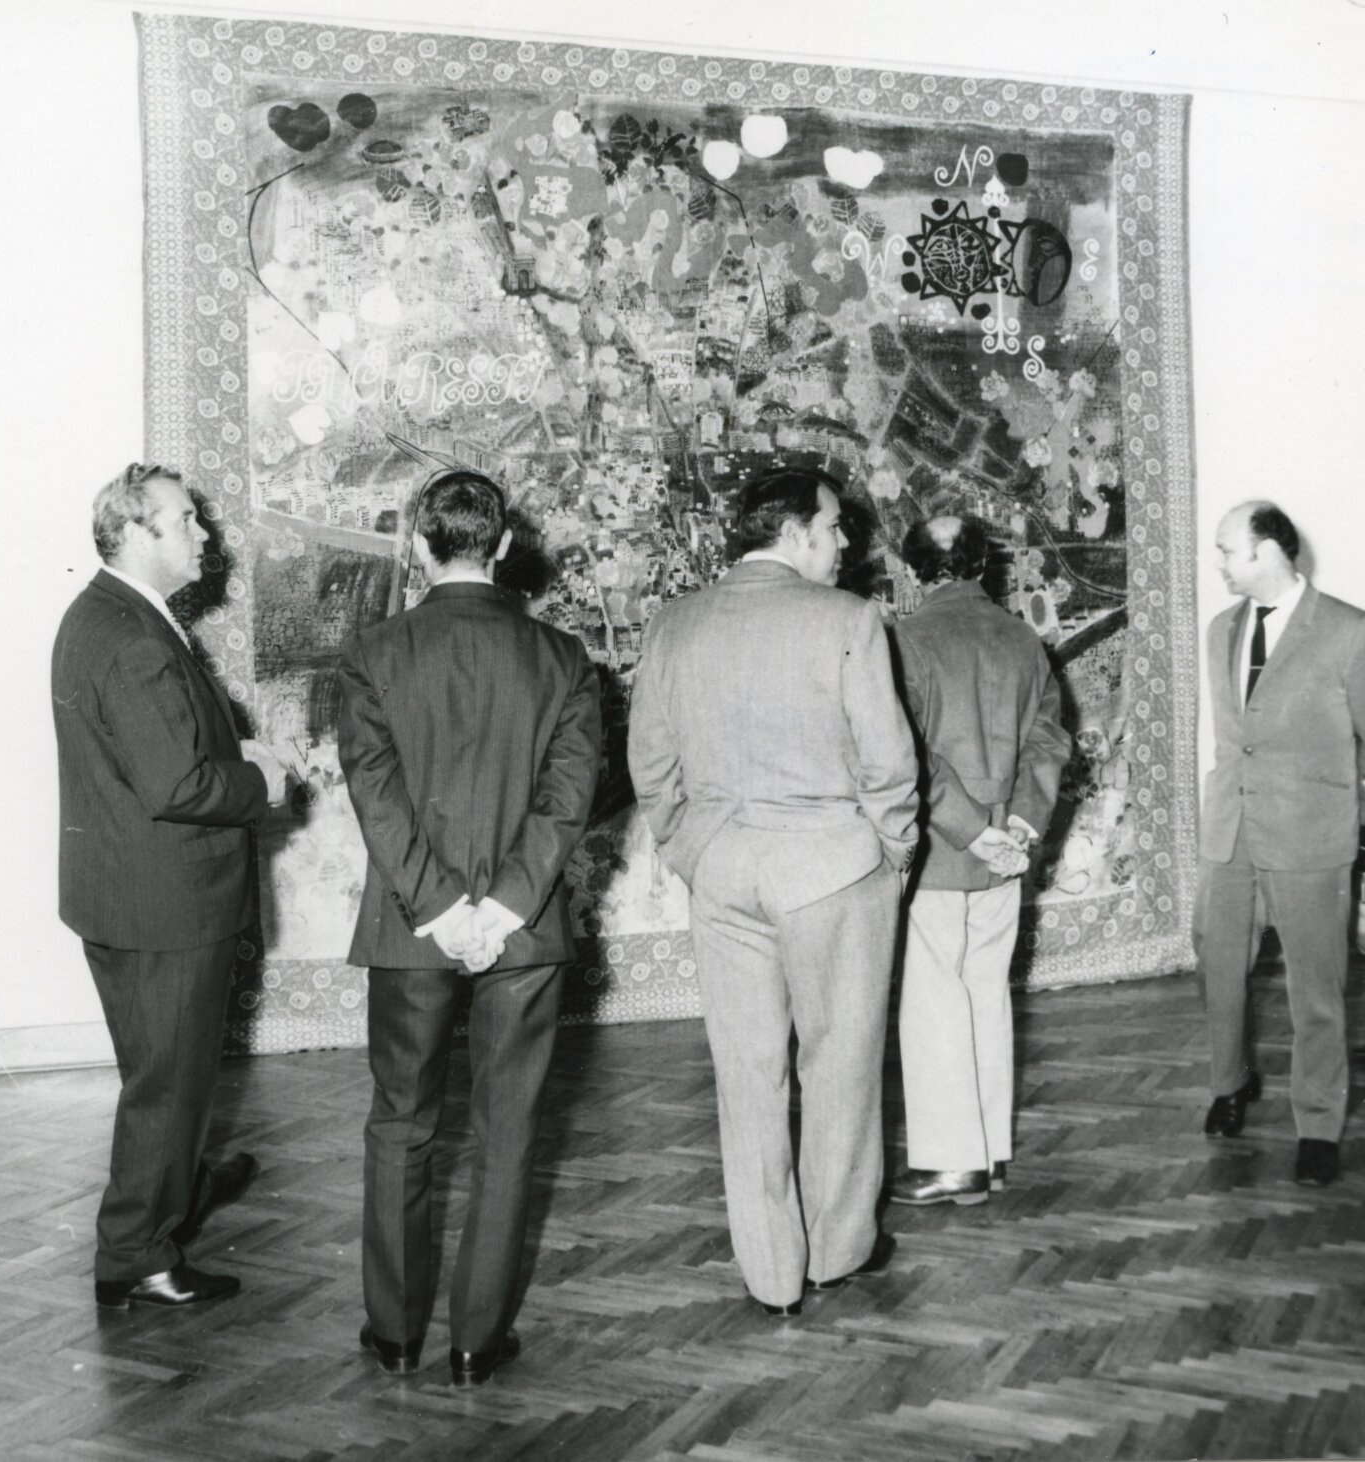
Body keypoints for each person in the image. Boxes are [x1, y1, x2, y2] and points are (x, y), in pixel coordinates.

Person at [627, 467, 918, 1316]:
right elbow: (890, 764)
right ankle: (836, 1251)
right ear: (793, 533)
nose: (843, 542)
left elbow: (651, 765)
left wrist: (690, 850)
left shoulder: (673, 625)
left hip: (723, 872)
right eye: (832, 527)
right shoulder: (850, 621)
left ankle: (771, 1274)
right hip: (833, 871)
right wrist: (892, 852)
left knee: (746, 1076)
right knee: (842, 1065)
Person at [337, 469, 601, 1386]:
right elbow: (568, 801)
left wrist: (442, 910)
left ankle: (394, 1333)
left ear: (418, 545)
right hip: (525, 938)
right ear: (504, 546)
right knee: (508, 1131)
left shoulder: (373, 651)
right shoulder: (562, 657)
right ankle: (475, 1342)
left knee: (400, 1123)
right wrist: (504, 906)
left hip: (410, 931)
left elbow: (376, 798)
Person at [52, 462, 289, 1309]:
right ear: (133, 533)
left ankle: (177, 1187)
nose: (204, 533)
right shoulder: (136, 641)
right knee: (167, 1083)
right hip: (167, 905)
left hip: (127, 890)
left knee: (162, 1070)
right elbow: (177, 786)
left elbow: (151, 755)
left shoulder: (104, 614)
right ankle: (136, 1255)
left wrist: (231, 752)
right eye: (186, 519)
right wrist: (261, 783)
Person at [889, 515, 1071, 1207]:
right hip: (1007, 852)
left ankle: (950, 1164)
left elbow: (907, 755)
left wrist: (969, 831)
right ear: (978, 566)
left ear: (913, 571)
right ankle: (989, 1153)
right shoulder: (1023, 638)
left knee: (934, 1002)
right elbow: (1048, 741)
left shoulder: (905, 639)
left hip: (939, 852)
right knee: (986, 996)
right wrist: (1015, 825)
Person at [1197, 500, 1365, 1187]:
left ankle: (1319, 1124)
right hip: (1230, 832)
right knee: (1218, 967)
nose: (1219, 561)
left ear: (1266, 551)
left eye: (1226, 548)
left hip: (1309, 838)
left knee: (1316, 990)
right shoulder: (1221, 630)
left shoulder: (1348, 631)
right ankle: (1231, 1083)